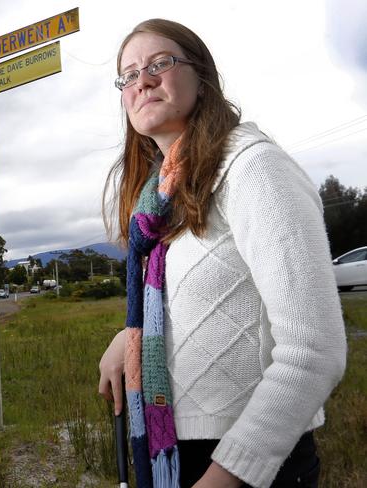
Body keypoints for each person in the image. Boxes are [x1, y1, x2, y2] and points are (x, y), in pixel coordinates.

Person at [98, 19, 346, 488]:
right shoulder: (163, 197)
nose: (142, 80)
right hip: (177, 448)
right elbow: (204, 300)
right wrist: (128, 335)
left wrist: (227, 475)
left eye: (160, 63)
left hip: (248, 462)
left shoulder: (253, 168)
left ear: (201, 77)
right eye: (128, 74)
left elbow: (316, 350)